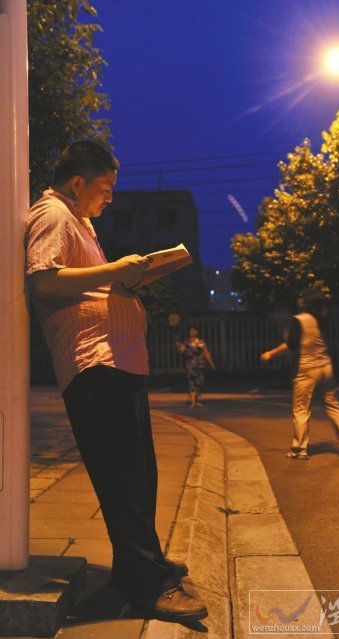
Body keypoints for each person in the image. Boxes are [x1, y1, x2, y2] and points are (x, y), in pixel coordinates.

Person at [24, 140, 207, 622]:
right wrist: (115, 271)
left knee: (138, 475)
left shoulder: (78, 221)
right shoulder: (52, 214)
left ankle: (141, 565)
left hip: (116, 362)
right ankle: (147, 585)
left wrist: (125, 280)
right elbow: (43, 280)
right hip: (94, 365)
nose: (110, 198)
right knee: (124, 478)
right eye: (105, 188)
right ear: (77, 183)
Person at [260, 287, 339, 460]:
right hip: (325, 366)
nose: (298, 299)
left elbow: (291, 345)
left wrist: (270, 354)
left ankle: (299, 449)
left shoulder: (298, 320)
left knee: (301, 409)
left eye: (301, 297)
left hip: (307, 369)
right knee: (332, 404)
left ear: (305, 301)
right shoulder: (320, 319)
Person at [176, 327, 215, 408]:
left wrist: (211, 363)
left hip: (199, 366)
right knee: (192, 383)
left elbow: (206, 353)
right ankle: (193, 403)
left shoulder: (200, 343)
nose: (193, 332)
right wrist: (179, 346)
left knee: (199, 383)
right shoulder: (186, 343)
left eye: (194, 331)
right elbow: (181, 351)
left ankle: (195, 402)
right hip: (191, 366)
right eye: (191, 331)